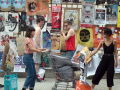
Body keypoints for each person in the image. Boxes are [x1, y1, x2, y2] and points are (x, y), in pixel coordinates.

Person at [33, 16, 45, 82]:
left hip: (36, 48)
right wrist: (40, 47)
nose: (42, 23)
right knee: (37, 63)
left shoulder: (37, 28)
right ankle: (34, 77)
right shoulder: (38, 29)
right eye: (41, 22)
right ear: (38, 22)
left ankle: (34, 76)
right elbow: (37, 38)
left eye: (43, 22)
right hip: (37, 48)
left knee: (36, 63)